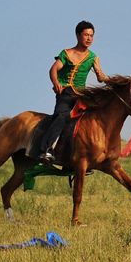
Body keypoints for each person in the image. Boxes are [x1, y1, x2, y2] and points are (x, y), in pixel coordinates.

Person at [39, 20, 108, 163]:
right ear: (78, 35)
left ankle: (89, 152)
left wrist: (108, 79)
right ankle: (46, 150)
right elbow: (53, 69)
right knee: (62, 116)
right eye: (86, 35)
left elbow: (100, 76)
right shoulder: (66, 53)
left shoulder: (93, 57)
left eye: (92, 35)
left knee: (95, 117)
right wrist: (56, 83)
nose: (89, 38)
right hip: (65, 93)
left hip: (81, 95)